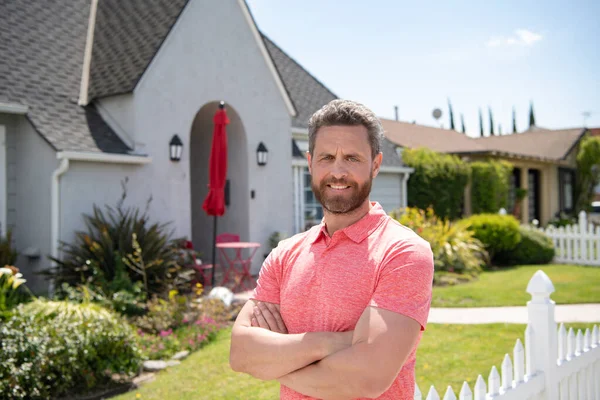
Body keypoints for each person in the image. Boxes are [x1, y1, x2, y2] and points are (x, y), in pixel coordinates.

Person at [230, 99, 434, 400]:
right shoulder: (285, 254)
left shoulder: (402, 252)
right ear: (311, 162)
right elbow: (242, 354)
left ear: (375, 165)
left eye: (352, 158)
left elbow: (366, 380)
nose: (338, 171)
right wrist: (329, 344)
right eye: (327, 157)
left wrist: (274, 363)